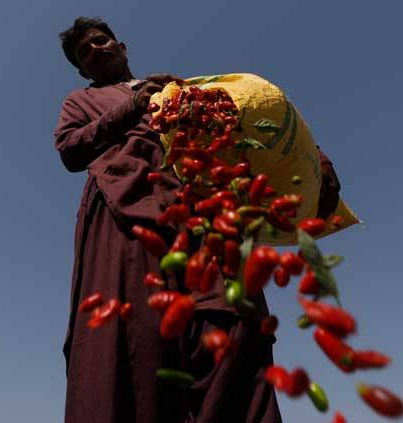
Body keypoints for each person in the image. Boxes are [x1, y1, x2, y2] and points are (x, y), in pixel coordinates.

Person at [53, 17, 341, 423]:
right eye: (85, 52)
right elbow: (69, 149)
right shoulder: (80, 102)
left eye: (101, 42)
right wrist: (130, 108)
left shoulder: (180, 90)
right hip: (128, 215)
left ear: (122, 46)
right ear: (83, 70)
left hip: (204, 214)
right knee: (137, 335)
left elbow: (249, 117)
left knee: (234, 326)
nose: (96, 51)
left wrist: (318, 163)